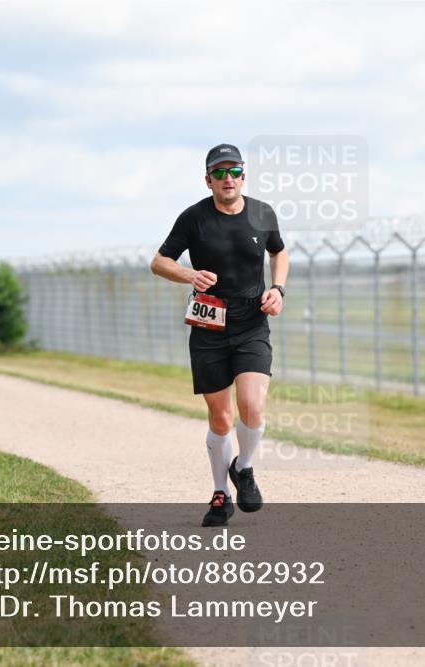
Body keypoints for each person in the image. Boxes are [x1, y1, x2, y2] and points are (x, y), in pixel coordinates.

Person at [150, 143, 289, 527]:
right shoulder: (194, 218)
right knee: (221, 416)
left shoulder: (262, 213)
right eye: (219, 172)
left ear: (244, 176)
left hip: (251, 323)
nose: (228, 179)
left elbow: (280, 252)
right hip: (209, 325)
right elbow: (158, 262)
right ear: (208, 179)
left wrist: (277, 290)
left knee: (252, 405)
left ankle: (243, 468)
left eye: (234, 171)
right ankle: (219, 494)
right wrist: (189, 275)